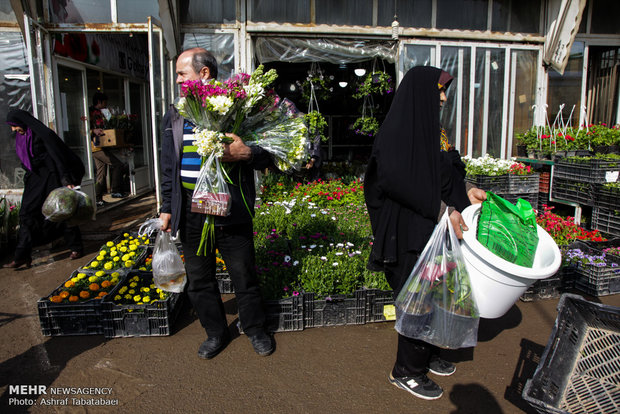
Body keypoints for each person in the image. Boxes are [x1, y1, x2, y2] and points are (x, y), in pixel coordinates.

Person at [364, 66, 486, 400]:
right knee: (417, 297)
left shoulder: (436, 133)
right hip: (408, 232)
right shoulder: (398, 133)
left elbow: (449, 175)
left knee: (435, 291)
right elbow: (394, 180)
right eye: (440, 91)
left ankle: (427, 353)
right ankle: (406, 371)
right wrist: (440, 209)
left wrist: (468, 190)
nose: (444, 98)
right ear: (421, 93)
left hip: (436, 229)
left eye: (445, 91)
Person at [159, 47, 275, 359]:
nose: (179, 81)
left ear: (204, 74)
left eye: (182, 74)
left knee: (243, 273)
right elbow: (167, 165)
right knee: (199, 278)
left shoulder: (238, 108)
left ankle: (254, 328)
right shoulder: (175, 114)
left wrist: (248, 153)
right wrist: (167, 208)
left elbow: (270, 153)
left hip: (230, 208)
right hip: (190, 210)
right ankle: (215, 332)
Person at [4, 109, 85, 269]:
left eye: (14, 125)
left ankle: (76, 247)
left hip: (51, 176)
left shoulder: (41, 134)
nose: (13, 129)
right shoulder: (21, 137)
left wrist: (65, 180)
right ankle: (22, 256)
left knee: (61, 211)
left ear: (22, 122)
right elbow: (26, 159)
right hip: (35, 178)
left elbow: (57, 156)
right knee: (26, 214)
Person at [89, 92, 126, 206]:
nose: (106, 105)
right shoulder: (90, 113)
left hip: (100, 147)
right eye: (105, 102)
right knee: (118, 164)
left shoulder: (101, 113)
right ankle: (115, 190)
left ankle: (98, 198)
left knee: (101, 173)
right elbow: (84, 129)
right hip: (96, 147)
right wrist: (93, 131)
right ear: (99, 102)